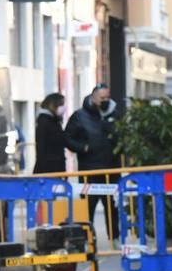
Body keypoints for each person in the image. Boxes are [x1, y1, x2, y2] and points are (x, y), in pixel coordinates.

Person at [64, 83, 121, 243]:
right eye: (102, 98)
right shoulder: (79, 116)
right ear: (93, 97)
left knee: (112, 208)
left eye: (107, 98)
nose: (105, 101)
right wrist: (83, 148)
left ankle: (114, 238)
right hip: (90, 171)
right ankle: (86, 240)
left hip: (111, 171)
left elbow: (122, 136)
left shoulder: (114, 114)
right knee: (87, 208)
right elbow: (67, 138)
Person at [33, 93, 69, 174]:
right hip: (49, 168)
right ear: (53, 105)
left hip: (56, 166)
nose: (63, 107)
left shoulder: (54, 120)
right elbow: (41, 146)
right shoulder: (44, 121)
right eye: (61, 104)